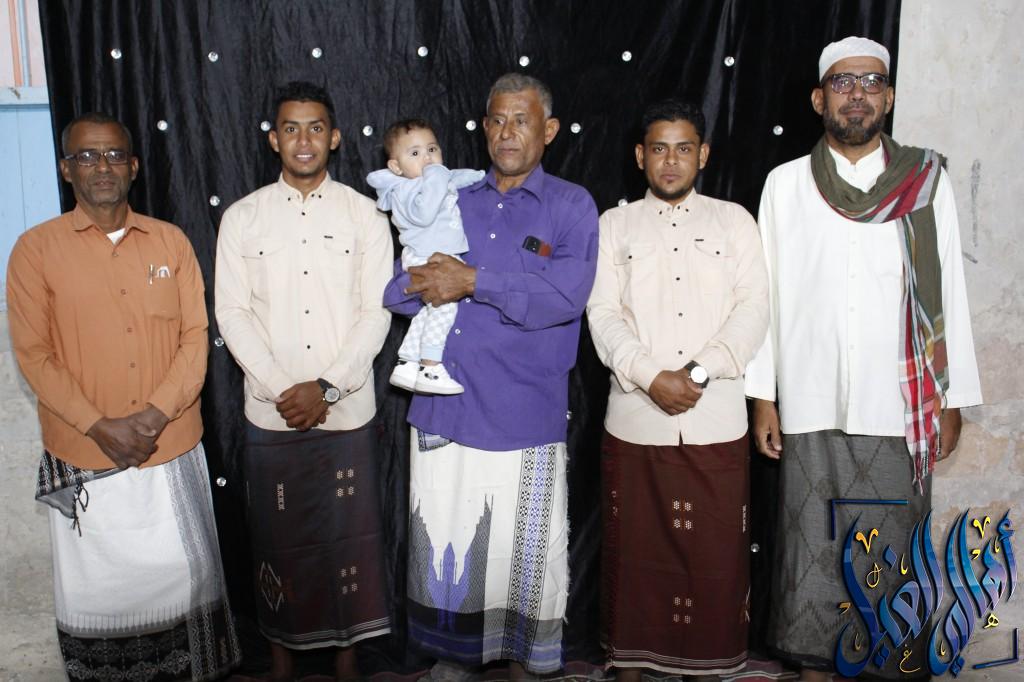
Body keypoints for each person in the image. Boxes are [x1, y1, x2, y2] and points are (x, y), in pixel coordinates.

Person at [744, 37, 982, 680]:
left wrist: (953, 399)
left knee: (892, 559)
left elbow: (948, 295)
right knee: (812, 559)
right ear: (819, 98)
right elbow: (765, 296)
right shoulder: (785, 184)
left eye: (871, 81)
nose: (858, 93)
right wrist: (762, 396)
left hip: (899, 405)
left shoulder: (926, 181)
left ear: (890, 97)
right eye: (843, 82)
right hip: (810, 399)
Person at [6, 112, 240, 681]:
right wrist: (99, 425)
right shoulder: (34, 251)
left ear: (133, 166)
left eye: (113, 155)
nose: (102, 167)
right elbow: (35, 355)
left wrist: (155, 415)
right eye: (87, 156)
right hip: (88, 456)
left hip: (171, 447)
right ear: (67, 169)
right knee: (103, 600)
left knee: (185, 587)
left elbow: (195, 337)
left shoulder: (171, 242)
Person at [383, 73, 598, 679]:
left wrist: (473, 281)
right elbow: (398, 292)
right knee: (446, 551)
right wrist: (423, 280)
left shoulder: (571, 205)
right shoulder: (451, 196)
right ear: (484, 128)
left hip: (524, 415)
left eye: (521, 120)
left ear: (548, 130)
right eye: (497, 120)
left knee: (522, 561)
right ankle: (452, 661)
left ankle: (527, 665)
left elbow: (566, 296)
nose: (507, 132)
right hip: (444, 411)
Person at [214, 81, 393, 681]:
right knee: (278, 547)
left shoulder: (365, 216)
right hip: (273, 416)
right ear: (274, 140)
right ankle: (282, 666)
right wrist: (281, 388)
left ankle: (347, 666)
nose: (304, 140)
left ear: (334, 137)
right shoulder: (243, 218)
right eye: (290, 128)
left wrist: (329, 387)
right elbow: (232, 313)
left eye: (315, 127)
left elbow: (376, 312)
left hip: (347, 413)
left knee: (349, 546)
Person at [587, 98, 768, 680]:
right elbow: (602, 314)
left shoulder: (735, 222)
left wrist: (697, 373)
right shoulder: (613, 226)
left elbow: (754, 310)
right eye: (659, 149)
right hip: (635, 420)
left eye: (683, 148)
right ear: (640, 156)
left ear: (703, 155)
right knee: (635, 566)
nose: (671, 161)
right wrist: (650, 376)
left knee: (714, 566)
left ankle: (708, 670)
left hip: (716, 420)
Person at [366, 118, 484, 394]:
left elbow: (455, 177)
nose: (428, 158)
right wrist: (437, 175)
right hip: (427, 259)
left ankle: (408, 361)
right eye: (415, 153)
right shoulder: (404, 189)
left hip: (434, 256)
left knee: (427, 311)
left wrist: (481, 177)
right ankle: (431, 366)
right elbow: (425, 212)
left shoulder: (432, 180)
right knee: (445, 307)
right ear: (396, 167)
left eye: (432, 149)